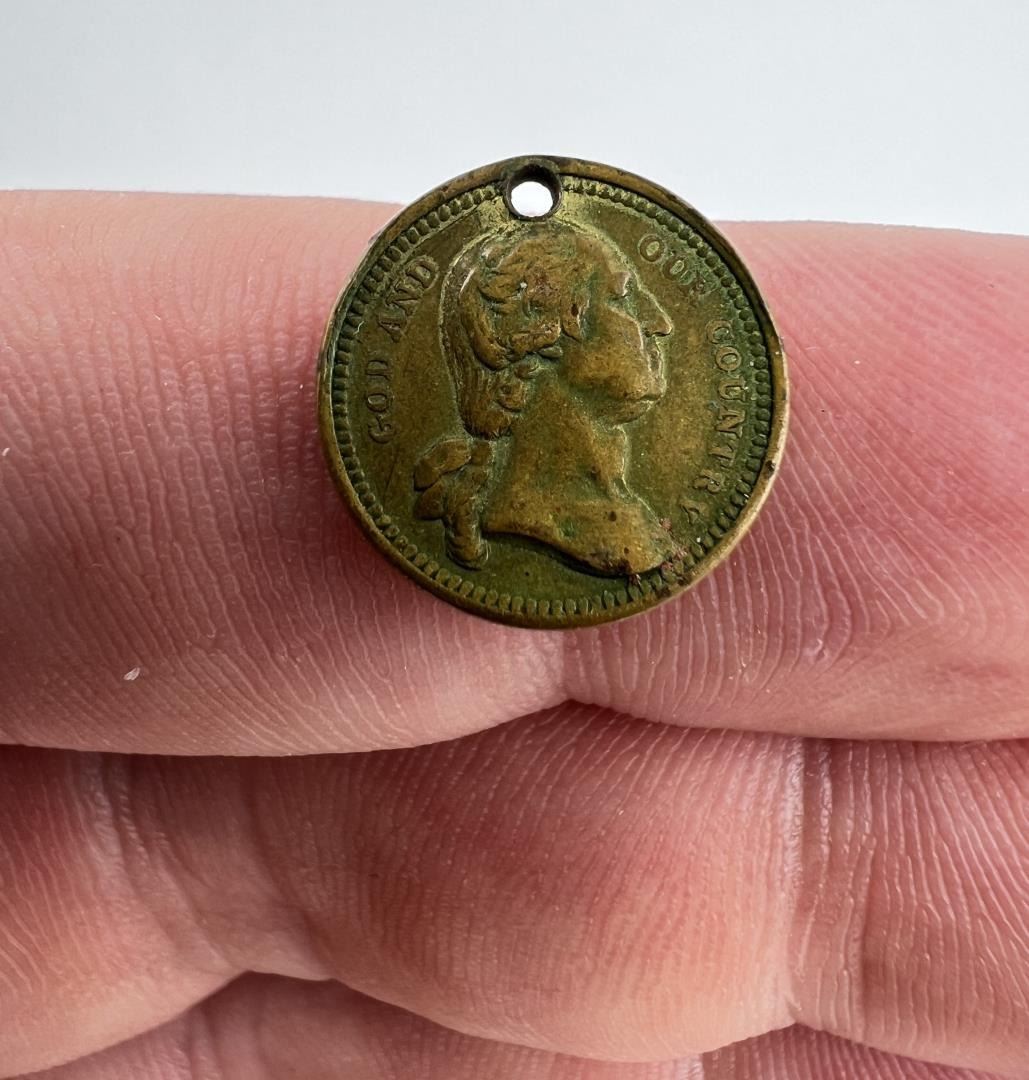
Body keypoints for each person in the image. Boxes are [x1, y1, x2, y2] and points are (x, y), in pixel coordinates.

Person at [0, 192, 1026, 1080]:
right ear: (549, 337)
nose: (657, 324)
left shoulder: (633, 522)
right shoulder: (527, 526)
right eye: (623, 300)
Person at [415, 220, 677, 576]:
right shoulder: (537, 515)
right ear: (555, 324)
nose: (660, 323)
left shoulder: (625, 507)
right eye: (622, 296)